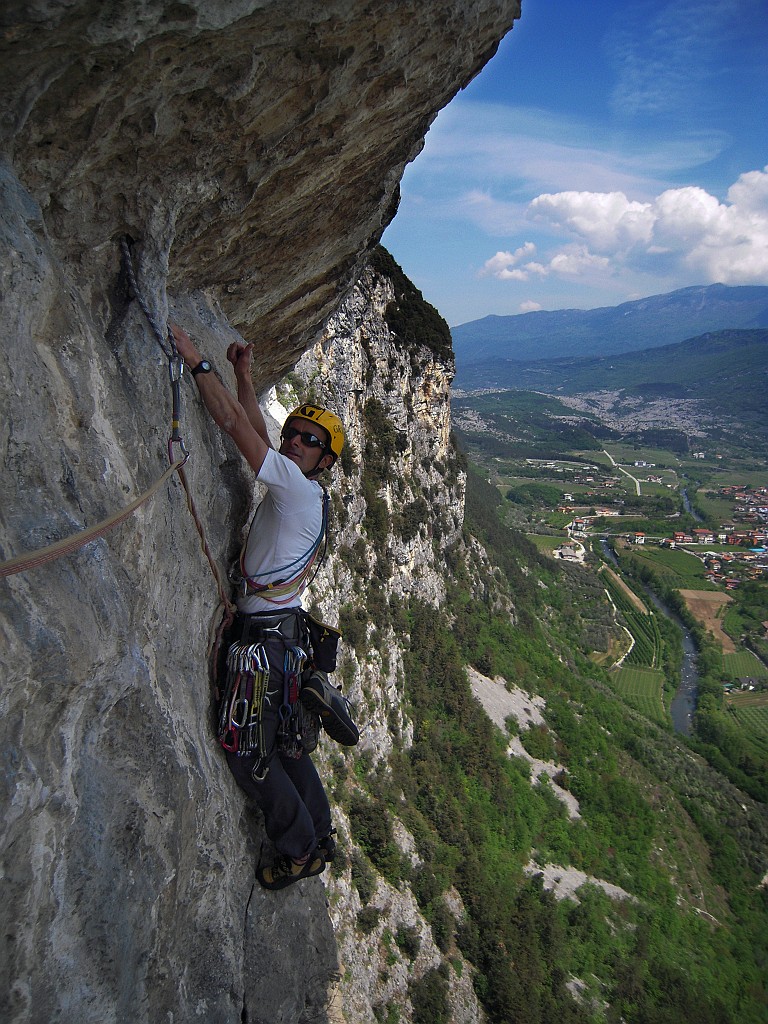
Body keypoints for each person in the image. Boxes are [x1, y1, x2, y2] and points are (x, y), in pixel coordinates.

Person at [170, 323, 356, 891]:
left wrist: (197, 361)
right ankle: (320, 831)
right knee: (285, 741)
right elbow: (254, 425)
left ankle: (298, 849)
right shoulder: (299, 484)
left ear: (324, 462)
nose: (295, 441)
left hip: (262, 639)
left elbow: (230, 426)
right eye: (295, 432)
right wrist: (245, 376)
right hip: (282, 635)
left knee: (244, 746)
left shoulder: (297, 490)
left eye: (310, 441)